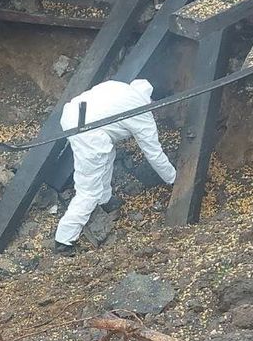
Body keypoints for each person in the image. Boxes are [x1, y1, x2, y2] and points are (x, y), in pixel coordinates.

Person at [54, 79, 177, 255]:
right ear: (152, 101)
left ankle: (105, 200)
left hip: (73, 115)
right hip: (89, 132)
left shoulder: (119, 86)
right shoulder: (141, 112)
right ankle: (64, 241)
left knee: (107, 154)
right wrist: (174, 179)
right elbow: (154, 154)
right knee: (89, 190)